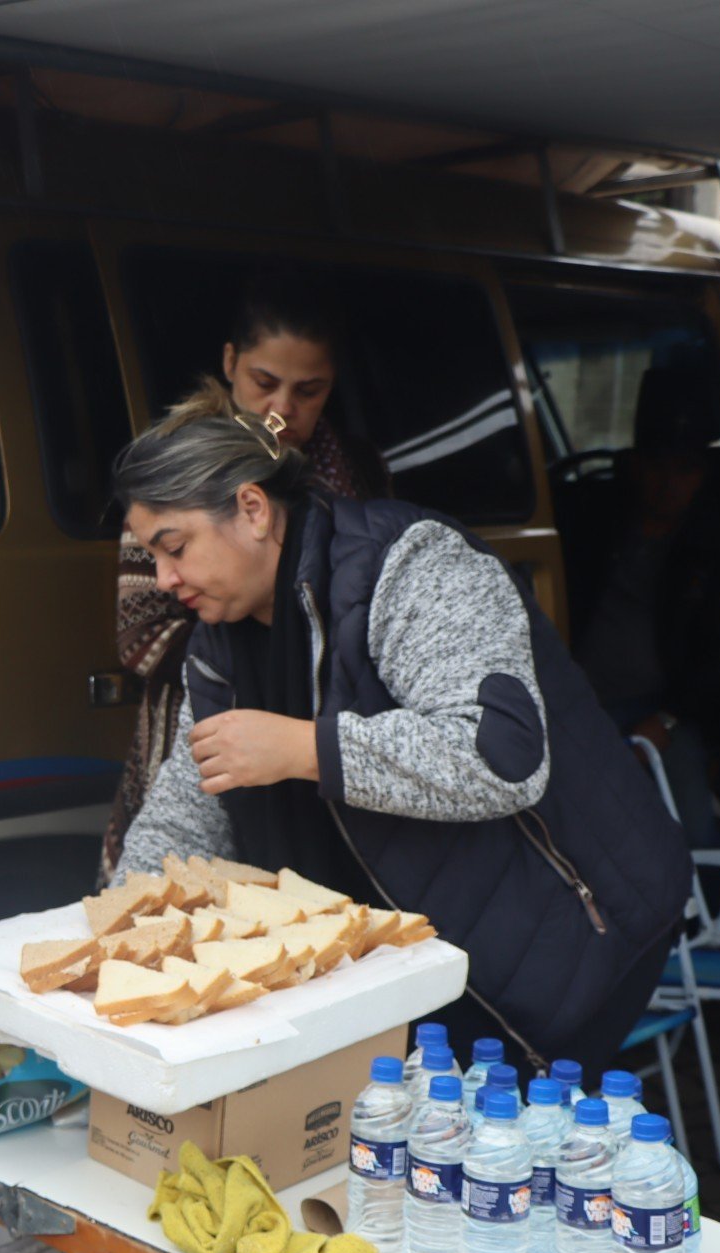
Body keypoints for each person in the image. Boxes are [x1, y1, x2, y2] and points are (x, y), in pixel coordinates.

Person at [110, 384, 689, 1074]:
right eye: (154, 556)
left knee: (532, 1151)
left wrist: (304, 747)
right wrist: (119, 934)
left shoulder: (404, 565)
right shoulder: (217, 646)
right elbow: (183, 817)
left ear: (253, 510)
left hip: (572, 923)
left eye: (174, 547)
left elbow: (502, 754)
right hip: (413, 961)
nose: (166, 578)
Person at [102, 271, 387, 882]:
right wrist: (250, 617)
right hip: (208, 742)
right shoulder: (176, 477)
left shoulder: (360, 476)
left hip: (335, 752)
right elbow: (138, 637)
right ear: (230, 363)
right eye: (265, 382)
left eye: (308, 390)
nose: (283, 408)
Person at [565, 365, 720, 848]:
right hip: (577, 703)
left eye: (685, 470)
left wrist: (666, 719)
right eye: (657, 466)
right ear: (634, 466)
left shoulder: (711, 550)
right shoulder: (592, 528)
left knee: (691, 836)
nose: (669, 483)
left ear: (703, 475)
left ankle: (700, 905)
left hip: (661, 712)